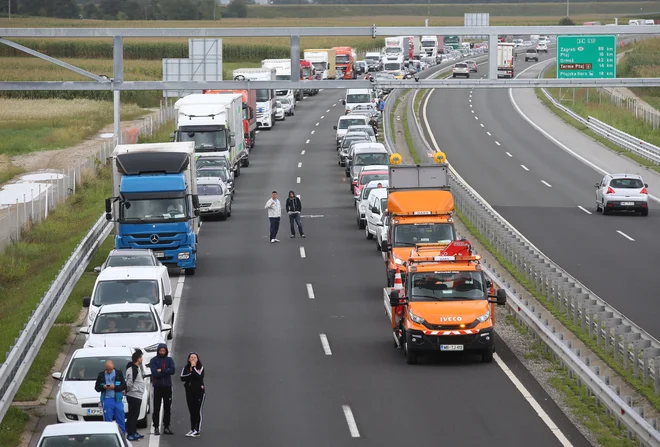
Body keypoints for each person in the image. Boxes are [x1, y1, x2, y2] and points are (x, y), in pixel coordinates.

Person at [148, 343, 175, 436]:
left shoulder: (169, 360)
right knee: (156, 408)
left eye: (164, 351)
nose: (162, 352)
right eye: (160, 351)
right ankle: (156, 426)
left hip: (167, 387)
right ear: (158, 351)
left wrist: (162, 370)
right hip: (158, 387)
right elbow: (155, 373)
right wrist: (165, 371)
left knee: (167, 408)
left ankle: (166, 426)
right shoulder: (153, 360)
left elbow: (172, 370)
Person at [94, 360, 127, 435]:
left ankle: (122, 435)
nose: (109, 371)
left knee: (121, 419)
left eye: (110, 370)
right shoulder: (101, 375)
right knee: (108, 420)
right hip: (107, 399)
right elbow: (97, 388)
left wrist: (115, 387)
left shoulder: (118, 373)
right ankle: (109, 435)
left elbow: (124, 386)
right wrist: (103, 387)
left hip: (118, 400)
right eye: (107, 370)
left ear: (113, 367)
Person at [180, 352, 206, 438]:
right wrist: (191, 374)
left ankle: (197, 430)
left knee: (197, 410)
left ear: (197, 359)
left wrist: (194, 368)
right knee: (191, 411)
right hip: (189, 392)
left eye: (195, 357)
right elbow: (182, 377)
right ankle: (192, 428)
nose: (193, 359)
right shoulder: (186, 368)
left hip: (199, 392)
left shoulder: (200, 367)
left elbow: (199, 376)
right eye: (191, 357)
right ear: (188, 359)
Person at [125, 350, 146, 441]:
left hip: (137, 395)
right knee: (132, 415)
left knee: (135, 415)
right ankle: (130, 433)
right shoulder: (132, 369)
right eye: (141, 357)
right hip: (133, 395)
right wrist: (129, 390)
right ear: (138, 359)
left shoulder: (136, 368)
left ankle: (134, 431)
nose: (142, 359)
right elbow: (129, 383)